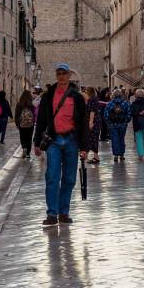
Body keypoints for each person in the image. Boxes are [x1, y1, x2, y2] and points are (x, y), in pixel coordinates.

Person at [34, 63, 89, 227]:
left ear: (69, 75)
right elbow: (41, 120)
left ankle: (64, 212)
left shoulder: (77, 97)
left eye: (64, 73)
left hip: (71, 140)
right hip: (54, 141)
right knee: (52, 177)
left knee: (70, 178)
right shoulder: (48, 96)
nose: (61, 76)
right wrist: (37, 142)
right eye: (58, 73)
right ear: (56, 75)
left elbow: (83, 123)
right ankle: (52, 213)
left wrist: (84, 147)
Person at [104, 88, 132, 162]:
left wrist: (108, 122)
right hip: (122, 124)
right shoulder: (125, 103)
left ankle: (116, 155)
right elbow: (129, 114)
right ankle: (122, 154)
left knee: (114, 139)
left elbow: (106, 115)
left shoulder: (110, 104)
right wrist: (126, 121)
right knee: (121, 139)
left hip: (113, 125)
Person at [14, 89, 36, 158]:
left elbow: (16, 114)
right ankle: (28, 153)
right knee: (29, 138)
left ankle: (24, 148)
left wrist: (17, 123)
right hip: (30, 124)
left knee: (22, 137)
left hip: (21, 123)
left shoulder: (19, 104)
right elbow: (34, 114)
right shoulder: (31, 104)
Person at [84, 87, 103, 165]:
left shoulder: (92, 100)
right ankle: (95, 156)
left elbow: (92, 111)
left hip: (94, 122)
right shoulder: (94, 99)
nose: (85, 92)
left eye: (86, 91)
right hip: (96, 122)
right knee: (92, 138)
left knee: (91, 138)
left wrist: (90, 122)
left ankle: (93, 156)